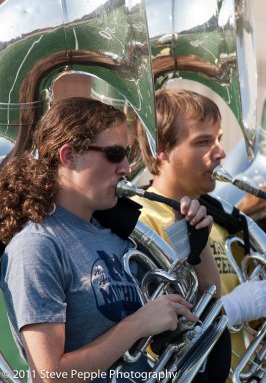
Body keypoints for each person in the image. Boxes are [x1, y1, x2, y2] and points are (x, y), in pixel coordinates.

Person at [0, 97, 218, 383]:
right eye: (115, 154)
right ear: (69, 156)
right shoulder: (37, 246)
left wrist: (192, 239)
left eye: (127, 154)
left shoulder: (117, 234)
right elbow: (50, 376)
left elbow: (210, 302)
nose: (127, 168)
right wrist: (137, 325)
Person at [134, 88, 266, 380]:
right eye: (203, 142)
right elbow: (152, 337)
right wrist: (235, 308)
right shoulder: (141, 219)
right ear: (162, 150)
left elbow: (254, 322)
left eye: (218, 139)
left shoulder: (224, 219)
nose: (220, 152)